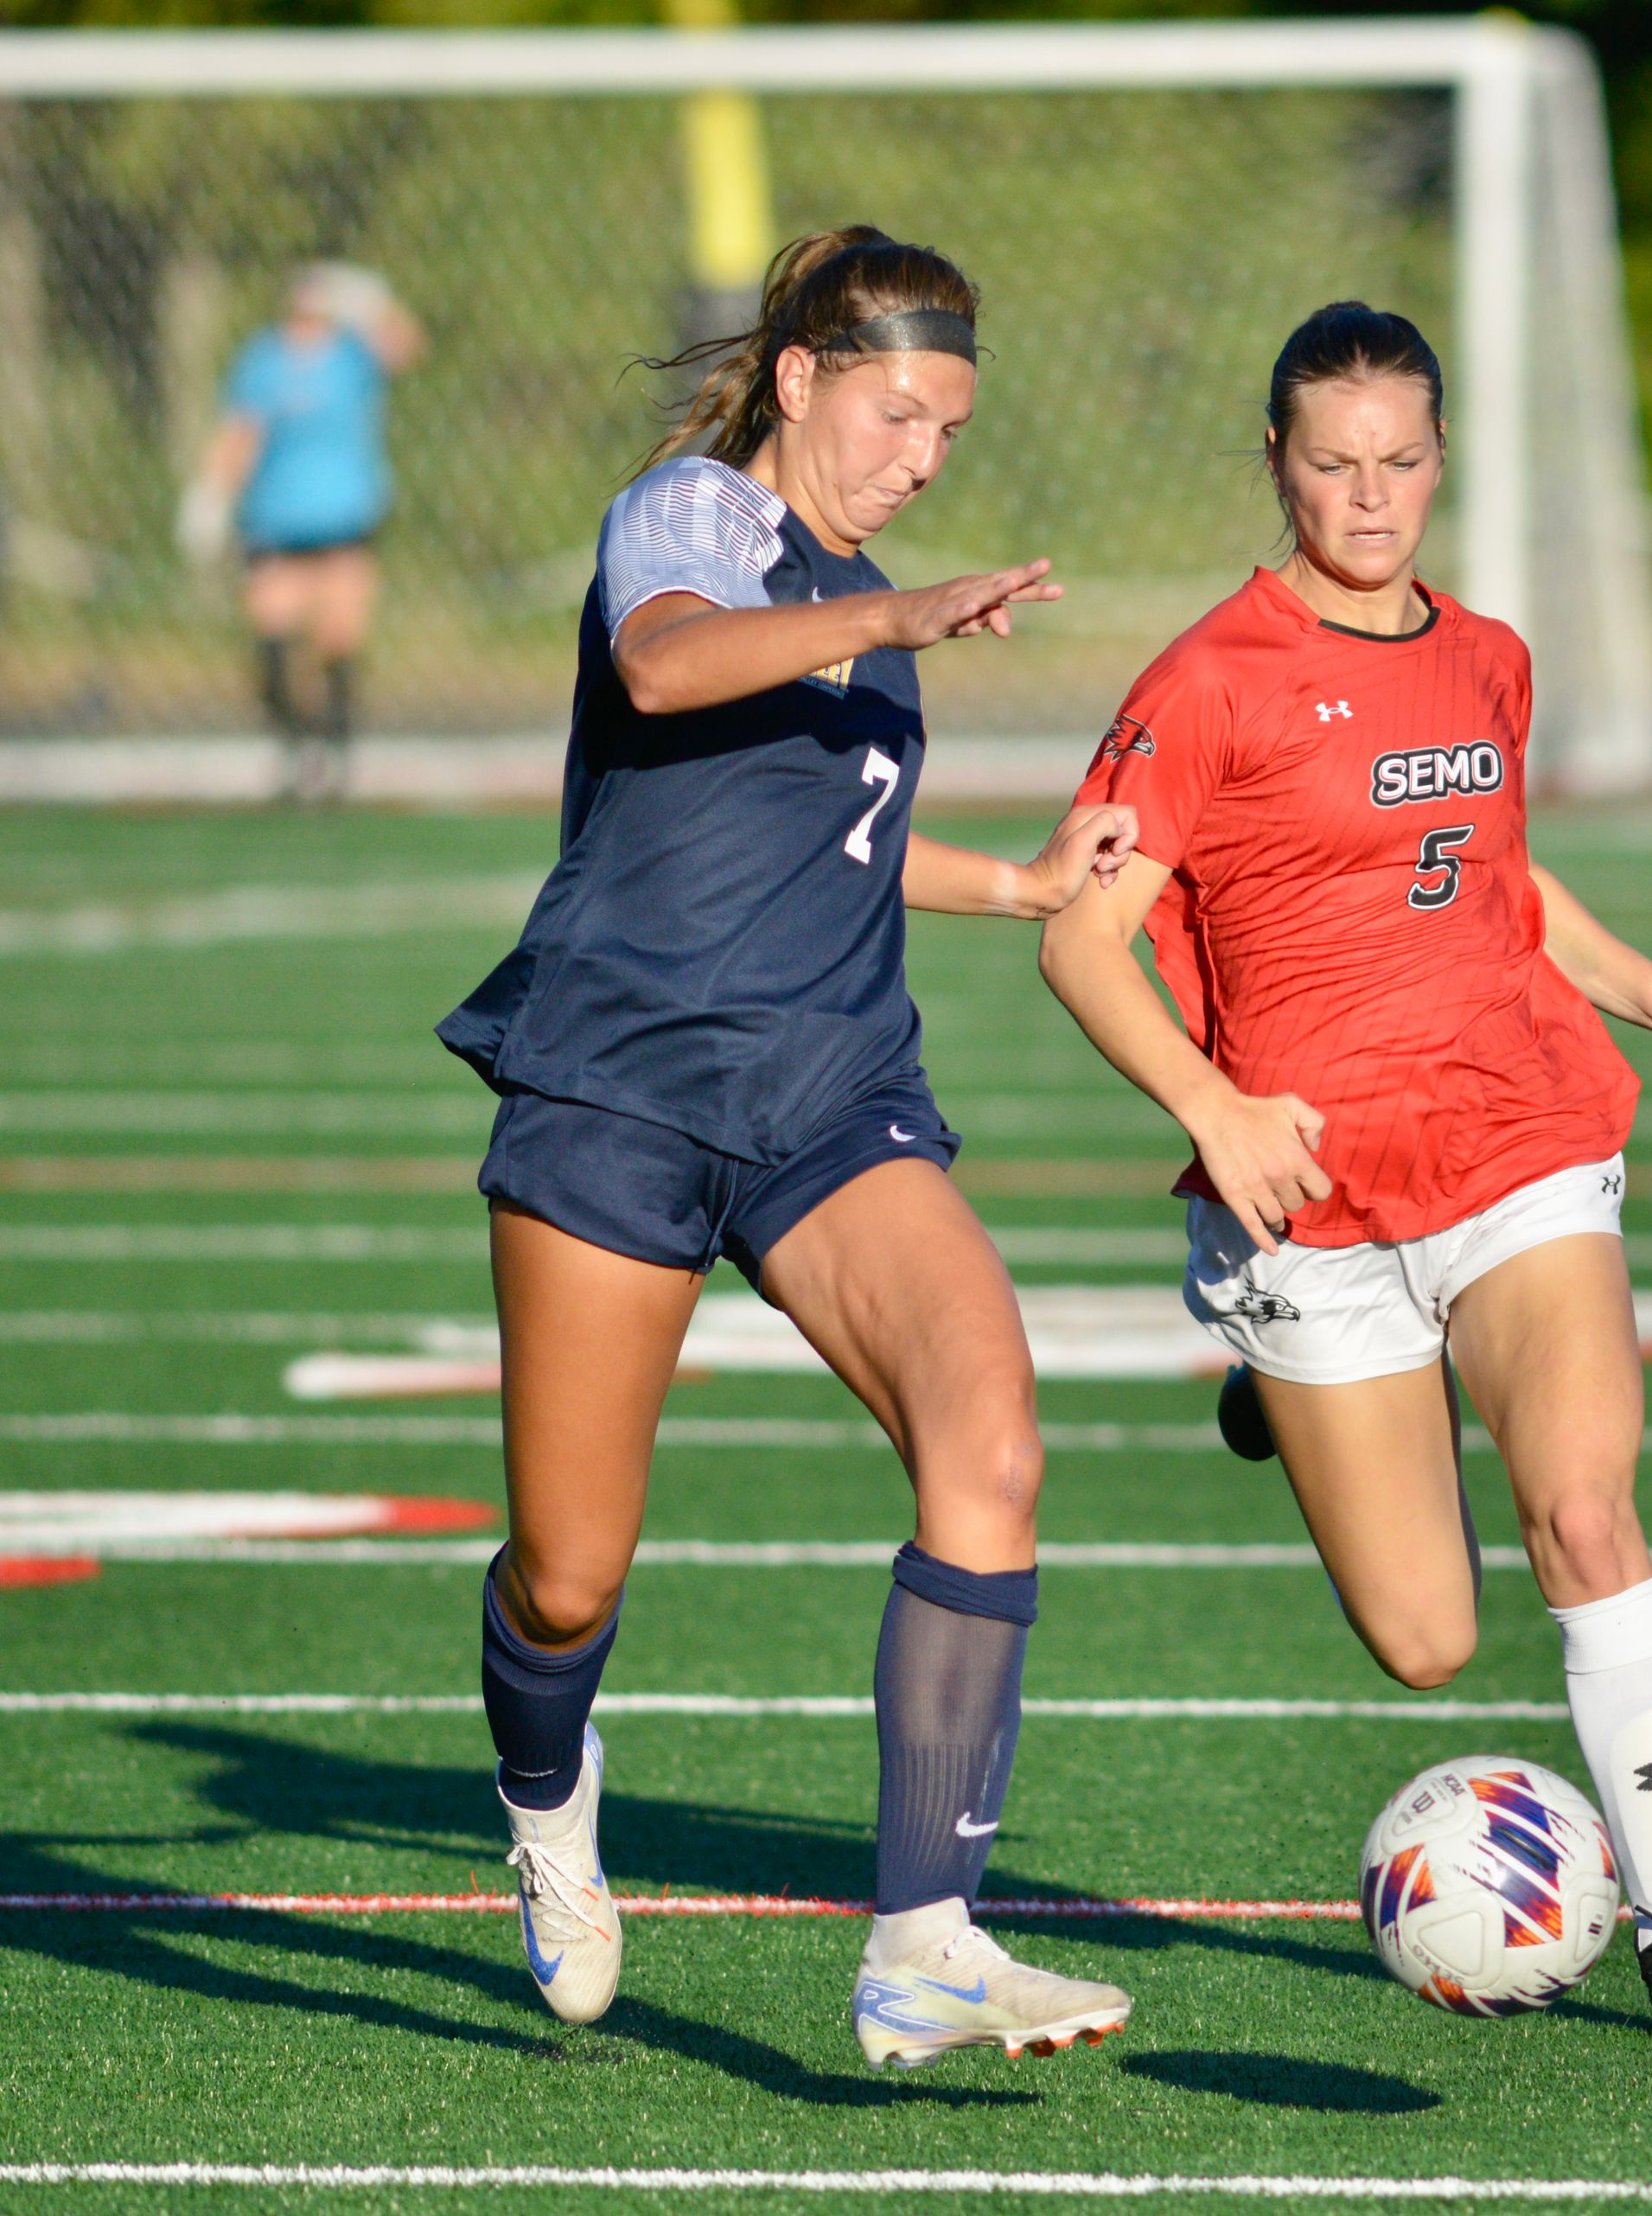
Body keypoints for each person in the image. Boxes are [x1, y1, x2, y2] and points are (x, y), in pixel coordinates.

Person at [1037, 302, 1652, 2046]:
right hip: (1309, 1194)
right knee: (1425, 1644)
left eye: (1399, 462)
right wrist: (1214, 1108)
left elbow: (1502, 887)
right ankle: (1270, 1369)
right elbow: (1087, 942)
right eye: (1333, 463)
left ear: (1440, 460)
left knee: (1585, 1508)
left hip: (1518, 1129)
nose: (1369, 496)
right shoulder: (1203, 684)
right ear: (1277, 464)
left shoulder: (1490, 658)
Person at [434, 227, 1145, 2072]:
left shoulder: (853, 593)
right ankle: (543, 1792)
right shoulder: (691, 519)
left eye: (949, 432)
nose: (920, 457)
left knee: (988, 1428)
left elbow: (827, 837)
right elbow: (672, 676)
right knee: (570, 1574)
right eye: (897, 412)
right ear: (810, 376)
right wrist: (891, 617)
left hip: (831, 1093)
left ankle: (924, 1940)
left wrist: (1021, 884)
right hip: (623, 1081)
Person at [180, 262, 424, 804]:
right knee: (273, 635)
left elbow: (406, 348)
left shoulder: (351, 355)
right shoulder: (262, 360)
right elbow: (241, 432)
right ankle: (293, 751)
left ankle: (336, 761)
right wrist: (211, 496)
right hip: (276, 521)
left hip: (344, 520)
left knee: (339, 639)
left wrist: (371, 304)